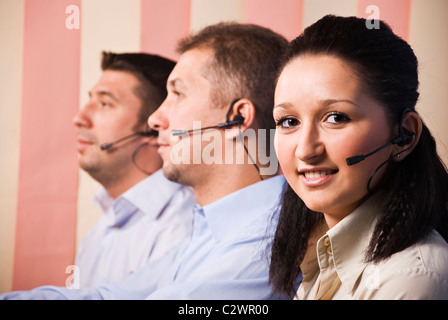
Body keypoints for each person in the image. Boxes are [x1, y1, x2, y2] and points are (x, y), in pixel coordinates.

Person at [1, 22, 288, 299]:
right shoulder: (209, 227)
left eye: (177, 94)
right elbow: (109, 297)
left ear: (237, 120)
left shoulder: (262, 247)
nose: (155, 119)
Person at [270, 15, 448, 300]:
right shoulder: (318, 258)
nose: (305, 150)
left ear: (405, 134)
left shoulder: (408, 279)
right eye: (289, 121)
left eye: (336, 117)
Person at [72, 52, 196, 287]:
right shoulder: (100, 230)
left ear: (153, 128)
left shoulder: (180, 226)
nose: (79, 118)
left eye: (105, 103)